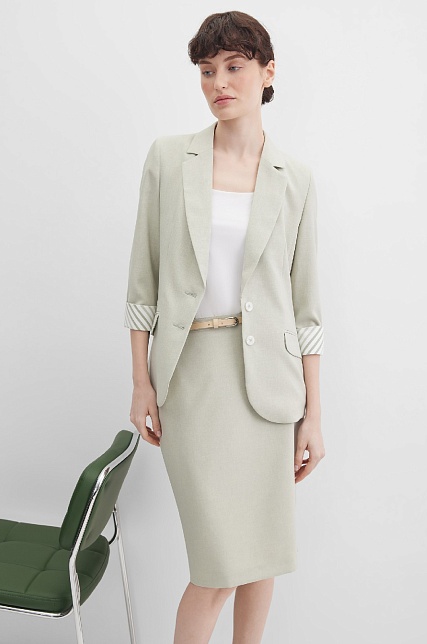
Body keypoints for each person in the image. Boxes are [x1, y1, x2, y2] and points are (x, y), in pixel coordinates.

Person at [124, 10, 326, 644]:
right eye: (207, 71)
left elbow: (306, 308)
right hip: (192, 381)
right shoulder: (169, 159)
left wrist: (314, 415)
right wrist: (141, 382)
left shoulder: (295, 179)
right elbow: (142, 284)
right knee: (215, 569)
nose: (219, 83)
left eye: (234, 67)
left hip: (270, 384)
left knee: (262, 558)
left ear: (268, 73)